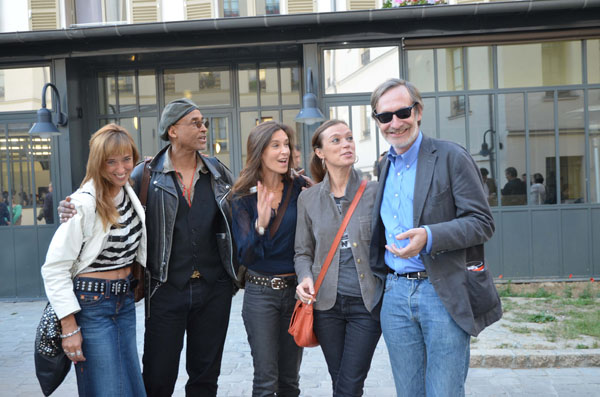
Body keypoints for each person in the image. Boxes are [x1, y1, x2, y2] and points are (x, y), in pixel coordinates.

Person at [59, 98, 238, 397]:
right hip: (165, 289)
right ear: (172, 131)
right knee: (157, 377)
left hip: (214, 289)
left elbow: (243, 203)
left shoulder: (218, 172)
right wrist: (71, 206)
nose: (203, 128)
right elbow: (104, 194)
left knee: (206, 377)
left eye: (203, 122)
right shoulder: (146, 176)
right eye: (195, 123)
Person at [369, 78, 501, 396]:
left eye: (402, 112)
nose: (395, 123)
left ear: (418, 111)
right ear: (377, 121)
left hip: (441, 292)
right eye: (385, 117)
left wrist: (429, 236)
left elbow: (482, 222)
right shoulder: (382, 166)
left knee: (444, 391)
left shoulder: (451, 157)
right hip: (396, 296)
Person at [41, 124, 147, 396]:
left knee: (131, 387)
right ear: (98, 164)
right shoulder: (83, 204)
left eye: (126, 159)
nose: (121, 168)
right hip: (92, 306)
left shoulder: (128, 193)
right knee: (107, 389)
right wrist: (69, 327)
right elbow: (54, 268)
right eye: (111, 161)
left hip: (123, 303)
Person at [295, 119, 382, 396]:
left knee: (350, 382)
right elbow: (302, 252)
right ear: (320, 152)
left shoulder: (375, 192)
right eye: (336, 140)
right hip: (325, 306)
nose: (346, 144)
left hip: (366, 304)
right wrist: (305, 277)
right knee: (340, 380)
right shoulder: (308, 199)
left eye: (349, 138)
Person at [231, 121, 307, 397]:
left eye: (286, 144)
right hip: (260, 294)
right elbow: (246, 255)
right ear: (260, 152)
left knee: (290, 381)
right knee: (265, 381)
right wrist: (260, 225)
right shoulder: (242, 198)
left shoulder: (300, 189)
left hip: (296, 293)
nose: (284, 151)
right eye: (276, 145)